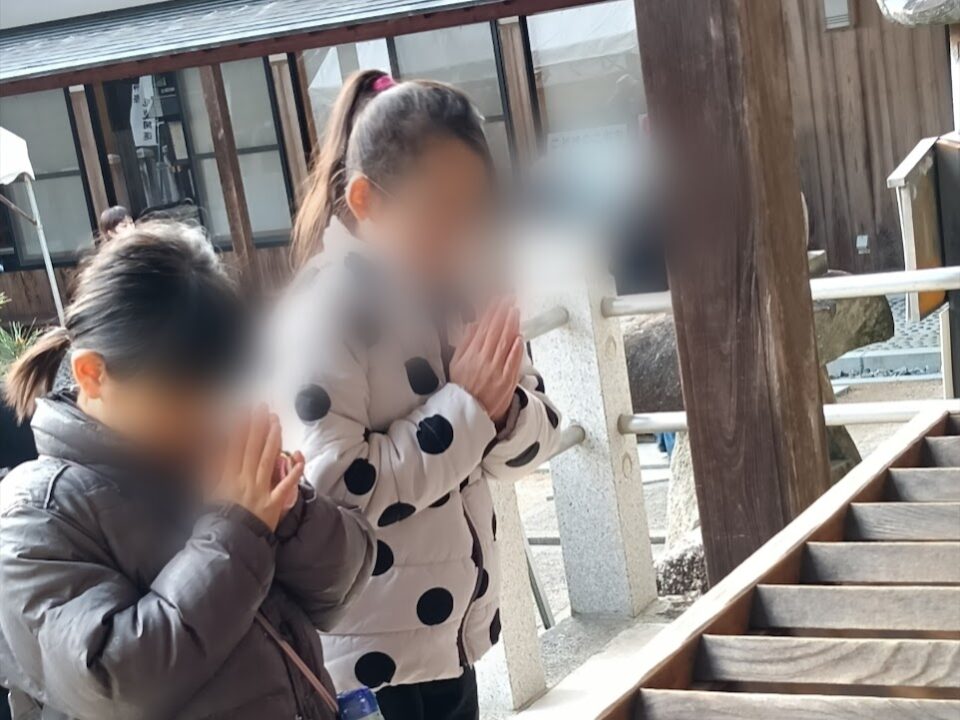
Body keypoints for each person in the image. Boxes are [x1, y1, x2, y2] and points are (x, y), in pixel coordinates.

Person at [266, 70, 564, 720]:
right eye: (436, 212)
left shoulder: (464, 290)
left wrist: (500, 411)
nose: (458, 235)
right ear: (366, 200)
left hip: (453, 643)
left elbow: (538, 434)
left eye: (471, 211)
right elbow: (332, 492)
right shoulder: (324, 311)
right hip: (366, 665)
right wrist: (466, 409)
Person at [0, 220, 375, 720]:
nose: (205, 418)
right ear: (93, 373)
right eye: (181, 397)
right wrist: (240, 526)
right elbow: (115, 684)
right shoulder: (33, 515)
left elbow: (339, 593)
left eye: (217, 394)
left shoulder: (209, 456)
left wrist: (290, 514)